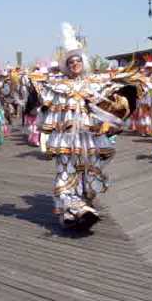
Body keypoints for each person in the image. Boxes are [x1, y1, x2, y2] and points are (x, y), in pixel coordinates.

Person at [39, 23, 127, 229]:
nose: (74, 64)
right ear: (66, 65)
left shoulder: (95, 84)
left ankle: (82, 206)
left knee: (88, 170)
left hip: (90, 138)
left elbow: (114, 104)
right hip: (66, 139)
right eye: (71, 62)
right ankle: (72, 209)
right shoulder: (56, 86)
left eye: (78, 60)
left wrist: (117, 113)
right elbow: (44, 113)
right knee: (66, 171)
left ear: (83, 62)